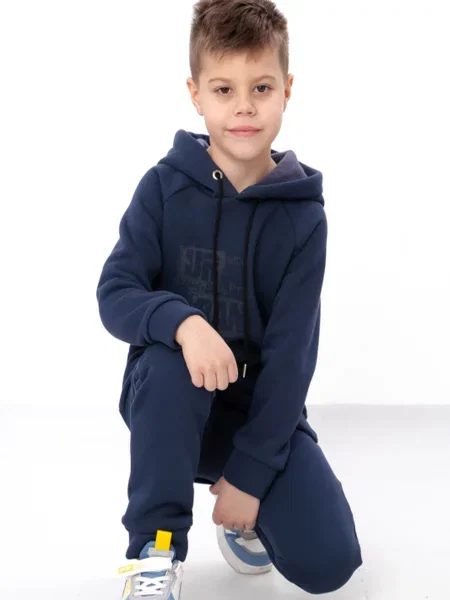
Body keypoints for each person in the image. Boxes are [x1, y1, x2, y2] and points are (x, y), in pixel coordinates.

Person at [96, 0, 363, 597]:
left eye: (261, 87)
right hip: (169, 407)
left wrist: (251, 473)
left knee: (331, 565)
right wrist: (183, 322)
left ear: (287, 89)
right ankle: (154, 552)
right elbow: (116, 292)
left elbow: (293, 358)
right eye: (224, 89)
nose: (244, 106)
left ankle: (247, 515)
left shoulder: (303, 218)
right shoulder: (163, 188)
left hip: (259, 416)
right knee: (170, 363)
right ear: (196, 94)